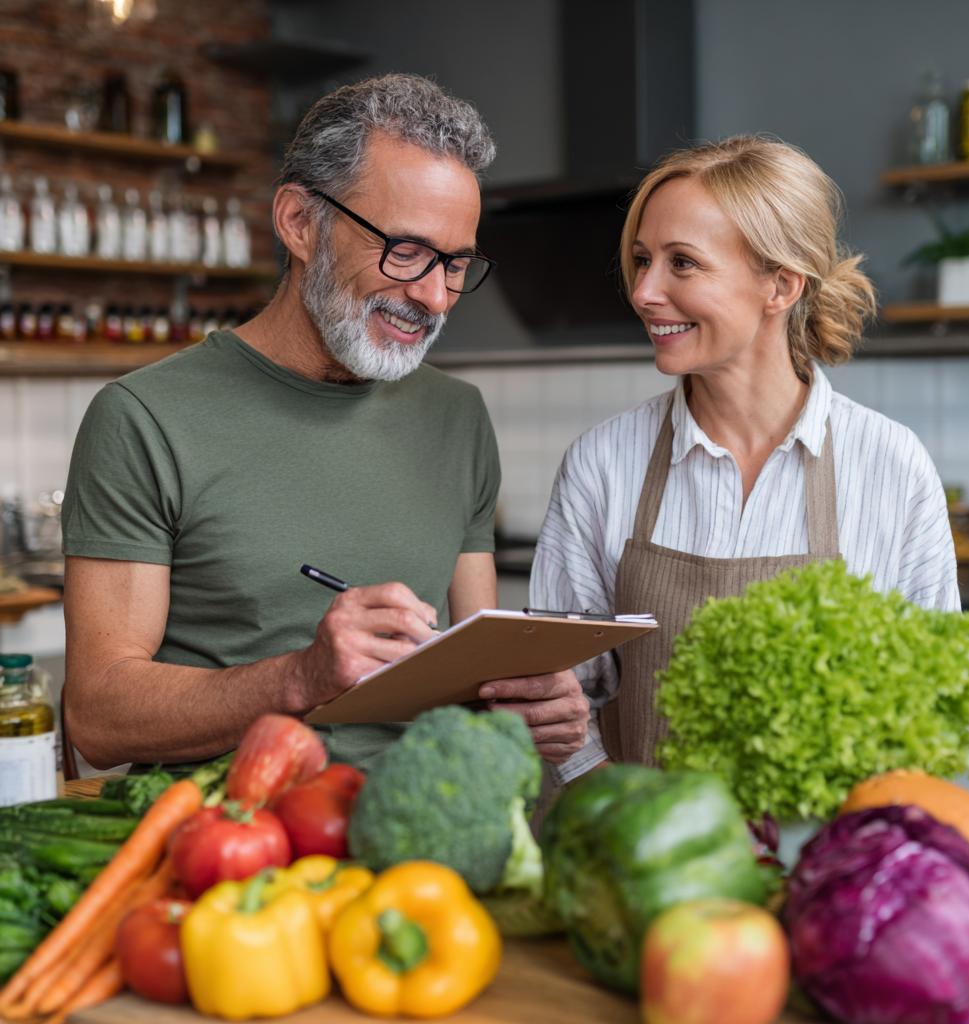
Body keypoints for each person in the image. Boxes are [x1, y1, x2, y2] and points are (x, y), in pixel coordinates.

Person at [61, 74, 589, 773]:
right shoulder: (144, 419)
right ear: (300, 223)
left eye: (456, 264)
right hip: (234, 852)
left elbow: (472, 669)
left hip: (424, 850)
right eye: (405, 249)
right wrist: (300, 679)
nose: (434, 296)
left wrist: (529, 702)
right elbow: (97, 718)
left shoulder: (457, 417)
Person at [530, 136, 958, 781]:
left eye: (683, 264)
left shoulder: (891, 466)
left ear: (780, 285)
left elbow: (935, 707)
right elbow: (562, 699)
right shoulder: (603, 462)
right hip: (634, 862)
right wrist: (614, 810)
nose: (644, 291)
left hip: (819, 863)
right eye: (642, 260)